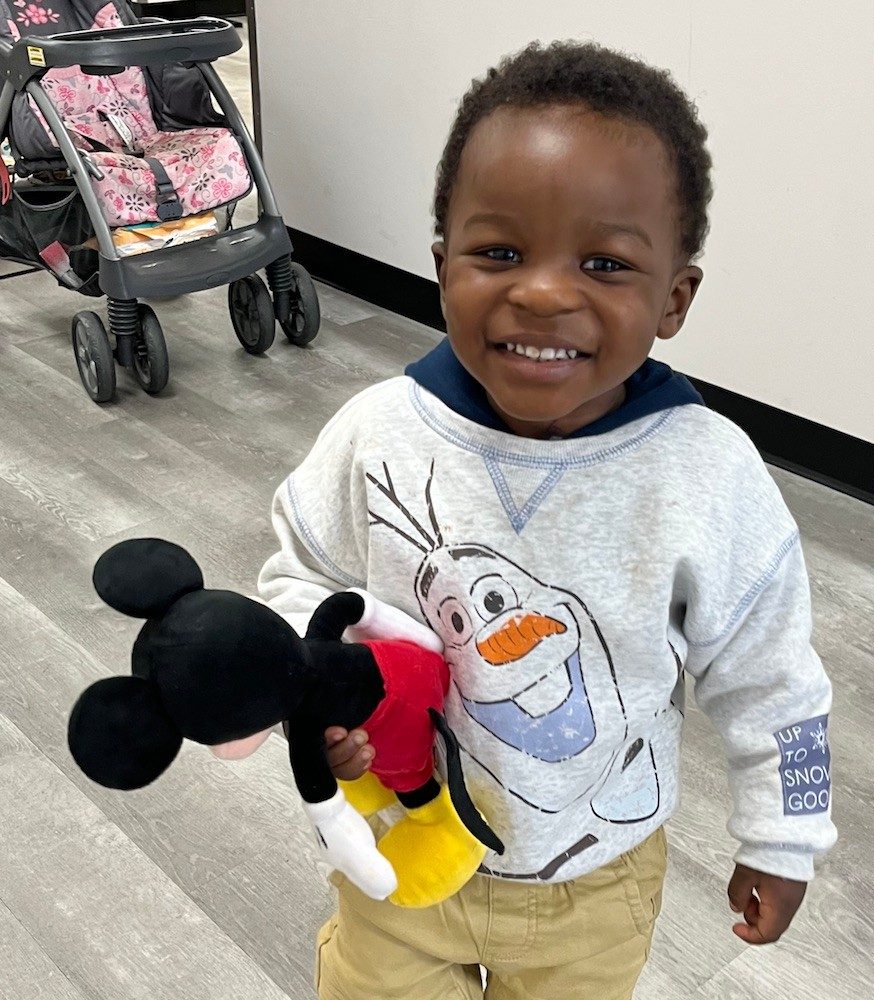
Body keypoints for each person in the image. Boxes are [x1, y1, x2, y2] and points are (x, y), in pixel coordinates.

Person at [258, 38, 837, 1000]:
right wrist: (314, 690)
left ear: (675, 299)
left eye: (606, 263)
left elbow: (776, 680)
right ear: (441, 266)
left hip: (595, 883)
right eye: (499, 252)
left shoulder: (708, 474)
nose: (543, 290)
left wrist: (787, 836)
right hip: (402, 842)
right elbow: (300, 575)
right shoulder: (378, 431)